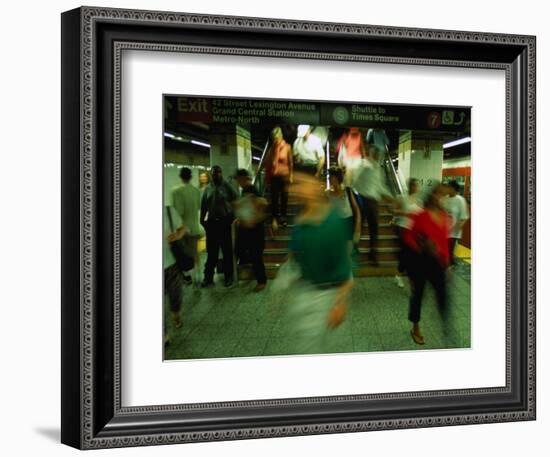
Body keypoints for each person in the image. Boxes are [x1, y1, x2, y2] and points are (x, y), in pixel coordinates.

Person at [284, 172, 354, 353]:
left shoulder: (332, 223)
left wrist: (339, 304)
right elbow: (294, 253)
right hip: (305, 292)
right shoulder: (301, 220)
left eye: (301, 183)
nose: (295, 189)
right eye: (294, 184)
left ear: (316, 186)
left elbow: (346, 271)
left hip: (327, 297)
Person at [403, 183, 451, 345]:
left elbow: (444, 241)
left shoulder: (445, 216)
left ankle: (446, 325)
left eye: (445, 195)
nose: (443, 198)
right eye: (439, 194)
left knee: (442, 295)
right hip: (420, 261)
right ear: (432, 196)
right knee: (418, 296)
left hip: (437, 263)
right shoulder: (420, 216)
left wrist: (447, 263)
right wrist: (422, 246)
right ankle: (415, 326)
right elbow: (408, 239)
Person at [351, 147, 392, 265]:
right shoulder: (363, 164)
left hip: (373, 201)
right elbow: (355, 181)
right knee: (358, 227)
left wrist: (390, 197)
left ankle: (373, 255)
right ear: (371, 153)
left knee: (374, 229)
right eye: (376, 154)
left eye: (379, 154)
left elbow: (380, 186)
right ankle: (354, 252)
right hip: (362, 199)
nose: (378, 156)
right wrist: (356, 195)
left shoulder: (378, 168)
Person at [200, 165, 238, 288]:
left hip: (225, 223)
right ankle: (208, 278)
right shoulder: (207, 189)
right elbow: (204, 206)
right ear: (211, 174)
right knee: (211, 253)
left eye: (218, 173)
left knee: (227, 252)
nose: (216, 175)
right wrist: (202, 221)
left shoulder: (227, 186)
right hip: (212, 224)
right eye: (214, 173)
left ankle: (229, 277)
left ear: (221, 173)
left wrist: (233, 217)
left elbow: (237, 200)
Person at [234, 169, 268, 292]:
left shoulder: (252, 190)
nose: (238, 182)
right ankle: (250, 271)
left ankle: (261, 281)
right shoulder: (245, 190)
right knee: (240, 250)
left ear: (244, 179)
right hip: (247, 228)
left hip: (255, 229)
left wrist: (254, 219)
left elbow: (262, 204)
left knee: (256, 255)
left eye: (239, 179)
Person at [170, 167, 203, 285]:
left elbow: (178, 212)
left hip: (183, 230)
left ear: (180, 176)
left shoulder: (176, 191)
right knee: (195, 253)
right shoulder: (196, 191)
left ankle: (188, 277)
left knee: (182, 254)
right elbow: (199, 207)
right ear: (191, 177)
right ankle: (198, 276)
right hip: (195, 227)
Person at [392, 178, 423, 287]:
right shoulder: (402, 198)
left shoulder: (419, 201)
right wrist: (405, 213)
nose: (415, 188)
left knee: (409, 254)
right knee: (406, 253)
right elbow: (394, 210)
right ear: (409, 186)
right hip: (403, 228)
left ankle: (399, 275)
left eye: (416, 186)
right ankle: (400, 276)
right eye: (413, 185)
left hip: (414, 231)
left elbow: (422, 216)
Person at [264, 126, 293, 230]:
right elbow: (266, 163)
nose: (275, 139)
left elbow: (290, 162)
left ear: (280, 136)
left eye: (276, 137)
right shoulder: (272, 148)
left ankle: (283, 218)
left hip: (284, 176)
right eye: (273, 138)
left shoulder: (287, 147)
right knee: (275, 198)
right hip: (274, 176)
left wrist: (291, 176)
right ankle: (275, 217)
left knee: (284, 198)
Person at [327, 167, 362, 248]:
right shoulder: (327, 194)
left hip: (348, 222)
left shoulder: (348, 191)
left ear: (338, 178)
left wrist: (357, 227)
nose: (331, 179)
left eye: (333, 177)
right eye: (330, 177)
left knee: (348, 249)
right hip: (335, 224)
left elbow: (356, 209)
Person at [443, 180, 470, 266]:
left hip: (454, 232)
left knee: (449, 251)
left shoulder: (460, 200)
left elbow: (464, 217)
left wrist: (457, 228)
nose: (447, 189)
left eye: (449, 187)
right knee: (445, 252)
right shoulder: (444, 199)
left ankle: (449, 267)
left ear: (454, 189)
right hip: (444, 230)